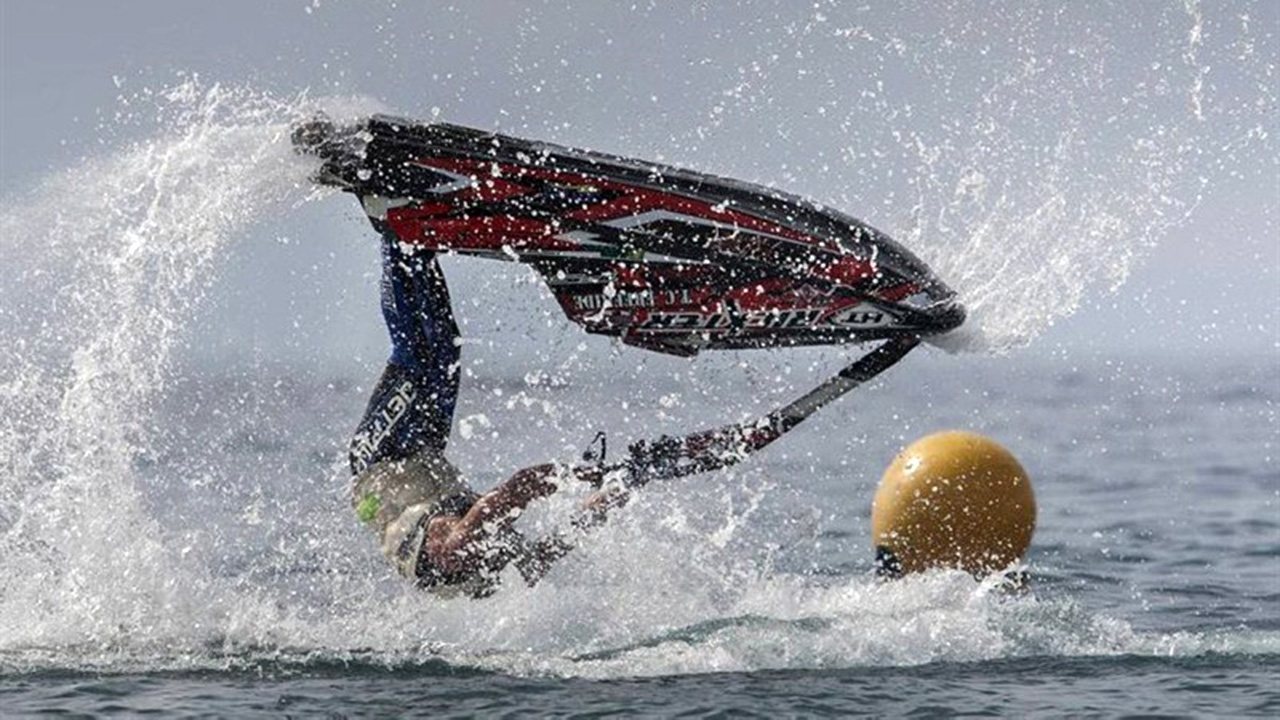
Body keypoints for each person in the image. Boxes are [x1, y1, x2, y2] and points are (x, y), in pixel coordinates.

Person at [348, 234, 623, 598]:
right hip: (423, 455)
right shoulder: (499, 567)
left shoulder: (455, 550)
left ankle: (396, 232)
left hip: (380, 460)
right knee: (445, 348)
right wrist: (613, 493)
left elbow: (518, 488)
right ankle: (420, 240)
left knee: (416, 352)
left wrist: (586, 475)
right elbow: (554, 547)